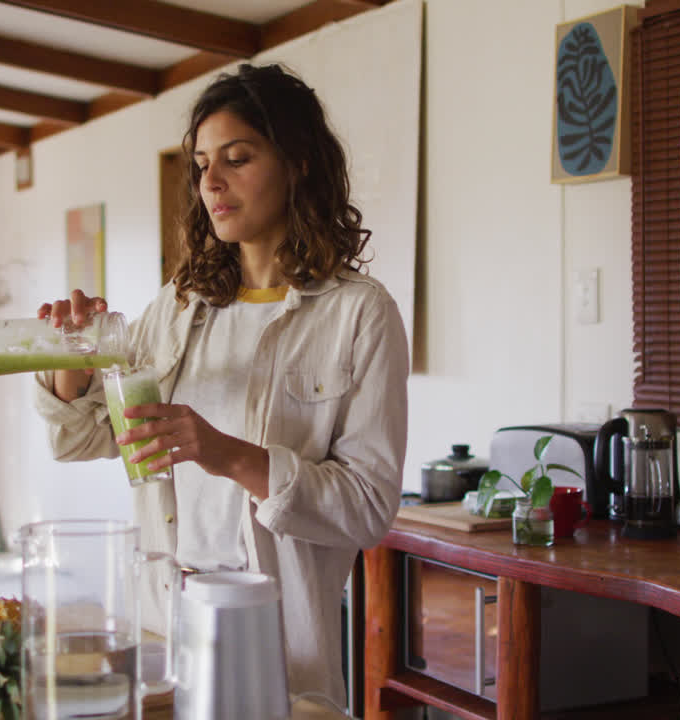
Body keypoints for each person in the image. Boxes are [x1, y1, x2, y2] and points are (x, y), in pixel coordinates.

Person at [32, 62, 408, 704]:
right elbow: (88, 439)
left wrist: (227, 454)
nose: (212, 181)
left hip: (280, 636)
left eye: (237, 157)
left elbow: (369, 508)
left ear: (298, 164)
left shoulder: (359, 312)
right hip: (160, 623)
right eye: (203, 163)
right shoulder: (178, 305)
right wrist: (72, 368)